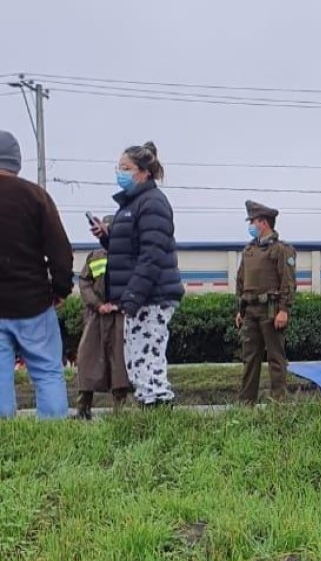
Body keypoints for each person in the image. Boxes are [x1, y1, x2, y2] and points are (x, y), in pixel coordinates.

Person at [90, 141, 184, 408]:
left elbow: (151, 255)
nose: (120, 172)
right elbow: (130, 251)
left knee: (147, 357)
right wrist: (108, 239)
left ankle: (158, 411)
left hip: (152, 296)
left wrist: (131, 296)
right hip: (140, 295)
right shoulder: (133, 204)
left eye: (125, 167)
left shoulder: (152, 203)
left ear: (143, 172)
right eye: (118, 167)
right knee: (136, 359)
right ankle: (149, 409)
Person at [0, 130, 74, 419]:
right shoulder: (36, 196)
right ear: (16, 162)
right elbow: (60, 251)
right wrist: (60, 290)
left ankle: (4, 435)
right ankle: (54, 433)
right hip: (33, 303)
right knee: (47, 371)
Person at [236, 200, 297, 405]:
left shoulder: (281, 250)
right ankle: (246, 403)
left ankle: (279, 403)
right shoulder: (249, 251)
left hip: (271, 311)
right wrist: (240, 310)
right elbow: (241, 281)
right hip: (250, 311)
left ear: (263, 223)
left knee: (276, 359)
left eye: (253, 221)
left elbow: (287, 282)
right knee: (250, 359)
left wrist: (284, 310)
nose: (250, 225)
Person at [73, 215, 131, 419]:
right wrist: (98, 305)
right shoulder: (96, 256)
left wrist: (123, 304)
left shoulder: (127, 256)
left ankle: (120, 410)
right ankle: (83, 408)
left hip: (119, 317)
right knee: (88, 359)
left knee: (120, 364)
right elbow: (84, 282)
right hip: (97, 317)